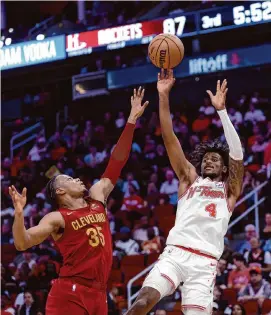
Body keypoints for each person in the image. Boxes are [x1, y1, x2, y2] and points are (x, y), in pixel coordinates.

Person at [9, 87, 149, 315]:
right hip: (70, 292)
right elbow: (22, 243)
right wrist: (18, 214)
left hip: (99, 293)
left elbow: (117, 161)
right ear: (61, 191)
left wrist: (131, 120)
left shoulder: (97, 196)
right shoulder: (57, 217)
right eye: (70, 178)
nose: (77, 179)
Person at [125, 70, 244, 315]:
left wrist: (221, 111)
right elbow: (169, 138)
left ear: (224, 168)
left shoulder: (229, 189)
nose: (209, 162)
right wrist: (163, 95)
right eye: (206, 159)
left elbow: (237, 155)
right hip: (175, 253)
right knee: (143, 301)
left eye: (215, 160)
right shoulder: (189, 180)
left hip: (205, 262)